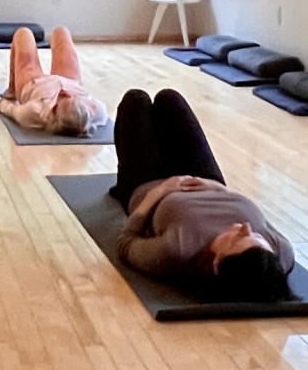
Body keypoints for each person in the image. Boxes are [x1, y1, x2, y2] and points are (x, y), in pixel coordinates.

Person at [111, 87, 295, 300]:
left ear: (216, 263)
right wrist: (217, 188)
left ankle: (122, 182)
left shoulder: (176, 252)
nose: (246, 228)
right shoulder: (279, 253)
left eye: (237, 240)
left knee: (136, 100)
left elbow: (125, 243)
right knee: (169, 99)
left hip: (148, 185)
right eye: (256, 236)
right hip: (208, 181)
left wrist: (161, 191)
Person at [0, 23, 109, 137]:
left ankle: (12, 90)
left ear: (54, 112)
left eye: (63, 99)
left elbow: (9, 110)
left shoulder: (35, 111)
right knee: (61, 32)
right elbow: (101, 113)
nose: (65, 93)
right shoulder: (95, 111)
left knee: (24, 34)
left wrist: (3, 104)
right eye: (72, 98)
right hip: (70, 83)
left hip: (34, 85)